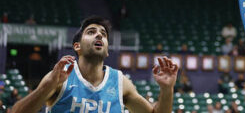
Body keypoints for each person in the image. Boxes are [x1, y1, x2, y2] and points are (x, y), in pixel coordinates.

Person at [11, 16, 178, 113]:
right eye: (91, 32)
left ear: (107, 50)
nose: (99, 35)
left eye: (103, 34)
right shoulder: (60, 77)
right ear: (77, 46)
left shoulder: (120, 83)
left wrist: (167, 89)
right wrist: (46, 87)